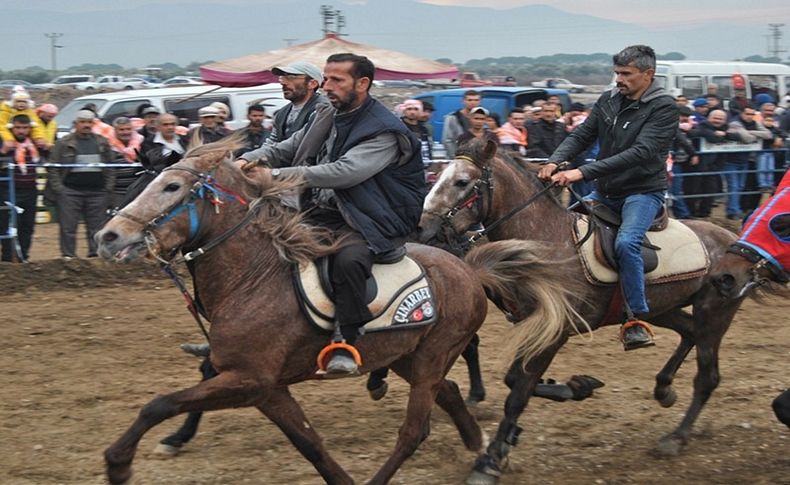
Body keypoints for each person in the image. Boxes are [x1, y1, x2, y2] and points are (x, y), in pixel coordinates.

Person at [236, 53, 426, 376]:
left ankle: (346, 338)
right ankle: (245, 332)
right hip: (323, 210)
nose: (327, 86)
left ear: (362, 84)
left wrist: (276, 177)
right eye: (326, 78)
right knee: (257, 240)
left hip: (369, 218)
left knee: (349, 260)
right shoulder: (329, 112)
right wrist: (244, 160)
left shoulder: (384, 130)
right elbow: (288, 145)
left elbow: (345, 172)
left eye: (337, 80)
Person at [538, 45, 678, 351]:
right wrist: (555, 160)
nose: (619, 79)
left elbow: (640, 152)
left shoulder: (664, 107)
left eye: (626, 74)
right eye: (617, 72)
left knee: (627, 243)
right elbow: (581, 135)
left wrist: (582, 173)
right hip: (605, 190)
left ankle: (635, 318)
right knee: (554, 228)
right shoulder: (609, 100)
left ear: (648, 74)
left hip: (642, 192)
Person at [49, 110, 115, 259]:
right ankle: (68, 256)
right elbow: (53, 167)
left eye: (89, 122)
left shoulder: (102, 142)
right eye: (83, 122)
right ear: (76, 124)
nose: (86, 125)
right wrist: (59, 189)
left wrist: (108, 188)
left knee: (97, 228)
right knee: (68, 228)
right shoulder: (63, 143)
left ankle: (96, 256)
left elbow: (111, 166)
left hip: (98, 192)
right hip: (70, 191)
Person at [0, 115, 40, 262]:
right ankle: (7, 258)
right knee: (7, 224)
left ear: (30, 128)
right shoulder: (5, 142)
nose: (21, 131)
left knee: (27, 225)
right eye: (18, 127)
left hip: (30, 189)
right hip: (9, 190)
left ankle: (23, 256)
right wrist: (2, 151)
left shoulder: (34, 144)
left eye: (24, 128)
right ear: (12, 128)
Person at [267, 61, 327, 144]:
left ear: (312, 84)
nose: (283, 82)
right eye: (282, 77)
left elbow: (300, 144)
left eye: (291, 77)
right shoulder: (282, 113)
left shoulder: (322, 109)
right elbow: (272, 142)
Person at [107, 117, 145, 209]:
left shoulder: (142, 142)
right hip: (117, 192)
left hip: (138, 191)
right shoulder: (107, 145)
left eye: (128, 129)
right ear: (115, 130)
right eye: (121, 130)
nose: (125, 132)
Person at [442, 89, 480, 158]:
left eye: (476, 100)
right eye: (470, 100)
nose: (473, 103)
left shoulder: (481, 118)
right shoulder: (453, 118)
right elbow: (447, 140)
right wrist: (455, 156)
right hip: (459, 157)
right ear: (463, 101)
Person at [399, 99, 432, 163]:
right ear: (404, 111)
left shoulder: (424, 129)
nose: (412, 112)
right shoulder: (400, 127)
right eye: (409, 109)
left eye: (416, 109)